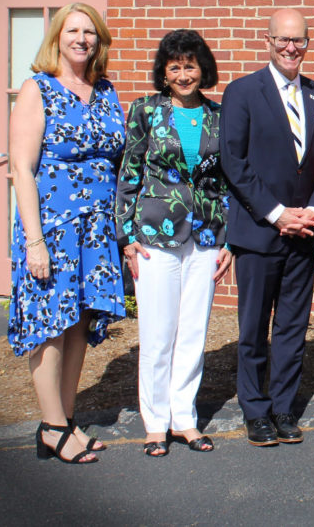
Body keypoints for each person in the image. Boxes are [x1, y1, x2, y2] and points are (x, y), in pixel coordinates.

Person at [8, 3, 127, 464]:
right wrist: (34, 240)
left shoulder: (104, 90)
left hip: (96, 228)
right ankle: (52, 427)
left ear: (99, 41)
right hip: (53, 227)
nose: (82, 38)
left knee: (79, 323)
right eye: (73, 30)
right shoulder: (37, 88)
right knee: (49, 325)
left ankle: (67, 419)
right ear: (57, 37)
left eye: (90, 32)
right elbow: (21, 167)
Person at [116, 29, 232, 457]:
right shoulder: (145, 110)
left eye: (191, 65)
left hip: (205, 236)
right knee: (158, 332)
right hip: (153, 236)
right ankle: (155, 423)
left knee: (193, 332)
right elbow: (128, 174)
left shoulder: (220, 116)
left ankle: (185, 419)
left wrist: (229, 240)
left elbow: (226, 183)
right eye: (175, 66)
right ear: (164, 73)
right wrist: (126, 236)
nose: (184, 74)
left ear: (204, 70)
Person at [220, 9, 314, 447]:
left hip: (303, 233)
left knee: (292, 326)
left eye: (299, 40)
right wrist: (277, 213)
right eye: (283, 40)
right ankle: (255, 410)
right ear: (267, 40)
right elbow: (235, 162)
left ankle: (284, 408)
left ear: (308, 43)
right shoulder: (243, 92)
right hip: (258, 233)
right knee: (253, 329)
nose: (291, 48)